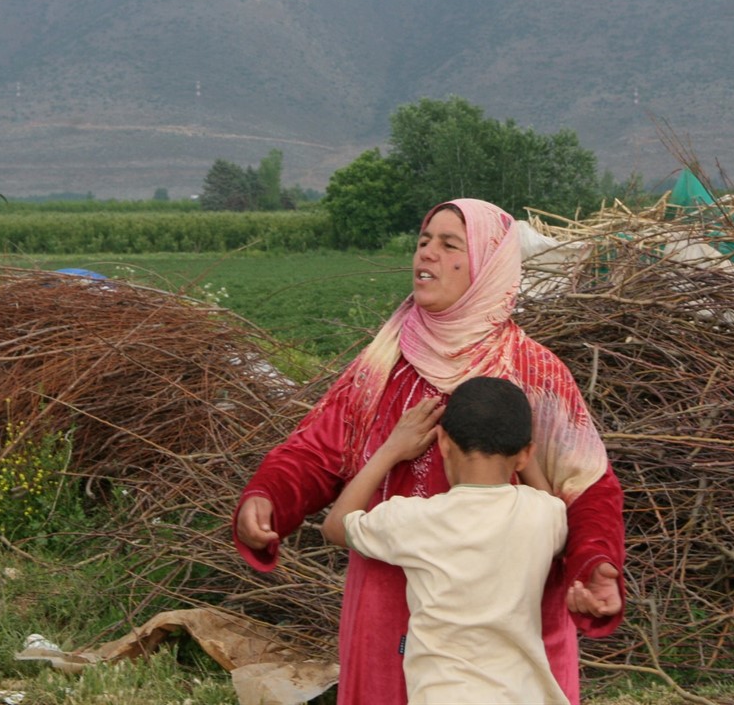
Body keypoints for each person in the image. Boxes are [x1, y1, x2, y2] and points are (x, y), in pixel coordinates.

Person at [234, 198, 625, 704]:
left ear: (488, 264)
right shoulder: (382, 364)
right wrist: (269, 496)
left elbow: (588, 487)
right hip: (387, 605)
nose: (427, 253)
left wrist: (595, 565)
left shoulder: (535, 372)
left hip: (509, 622)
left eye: (449, 244)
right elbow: (317, 450)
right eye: (423, 241)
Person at [321, 376, 569, 704]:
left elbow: (335, 526)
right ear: (524, 455)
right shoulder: (542, 514)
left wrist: (391, 449)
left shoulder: (416, 519)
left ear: (443, 444)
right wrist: (524, 455)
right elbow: (550, 506)